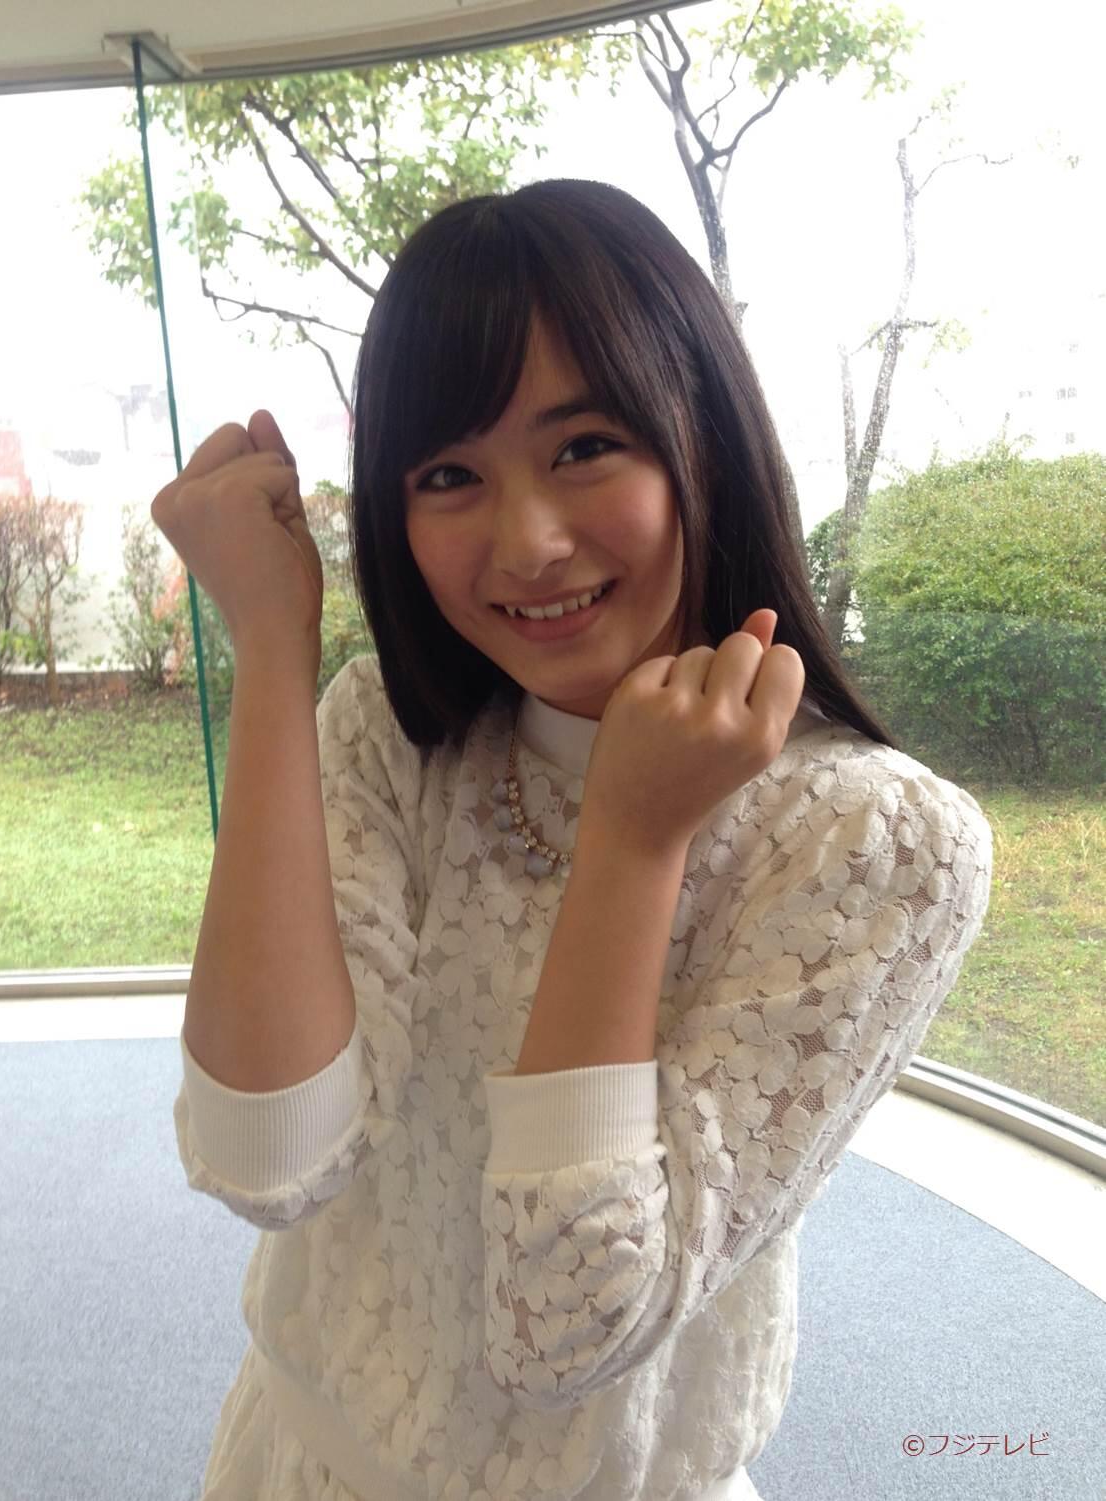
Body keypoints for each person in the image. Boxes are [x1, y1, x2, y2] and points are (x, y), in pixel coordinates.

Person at [162, 177, 994, 1500]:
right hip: (298, 1463)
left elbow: (563, 1326)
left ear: (699, 431)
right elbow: (269, 1161)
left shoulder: (874, 840)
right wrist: (271, 643)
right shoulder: (391, 729)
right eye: (448, 474)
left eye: (585, 446)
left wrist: (632, 840)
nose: (529, 542)